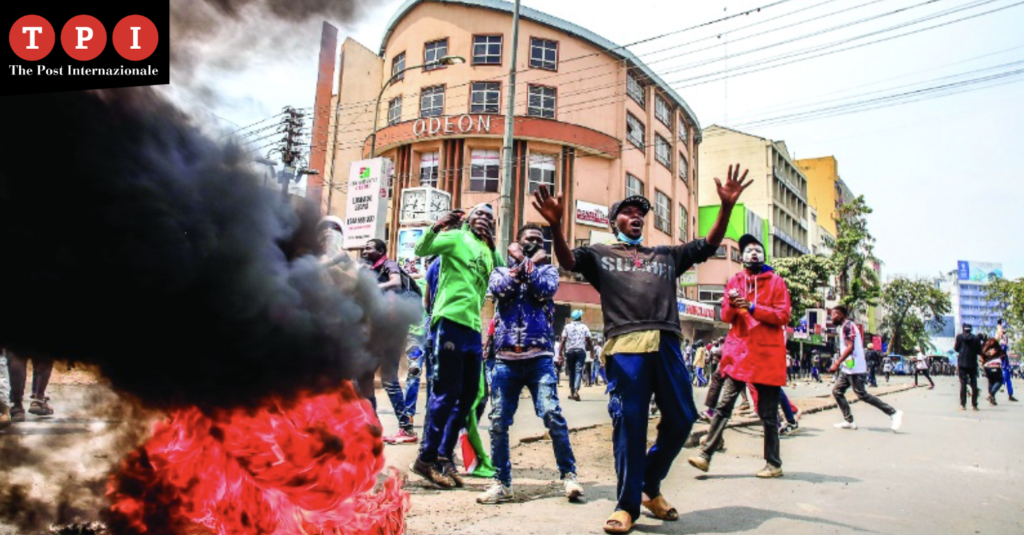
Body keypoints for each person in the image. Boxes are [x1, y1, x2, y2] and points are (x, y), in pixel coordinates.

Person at [532, 164, 751, 534]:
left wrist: (726, 208)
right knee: (630, 424)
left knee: (682, 419)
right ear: (614, 219)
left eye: (641, 214)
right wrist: (554, 225)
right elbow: (569, 262)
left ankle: (648, 484)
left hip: (666, 342)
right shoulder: (600, 253)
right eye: (628, 212)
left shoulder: (665, 255)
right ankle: (626, 505)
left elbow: (707, 246)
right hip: (626, 345)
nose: (636, 217)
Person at [478, 223, 583, 505]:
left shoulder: (548, 271)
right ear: (516, 243)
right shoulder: (500, 270)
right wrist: (524, 265)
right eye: (527, 240)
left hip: (539, 358)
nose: (533, 243)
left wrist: (527, 264)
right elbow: (502, 289)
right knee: (499, 421)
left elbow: (543, 289)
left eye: (538, 241)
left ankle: (569, 476)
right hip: (505, 360)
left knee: (552, 415)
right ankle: (503, 483)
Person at [410, 204, 502, 489]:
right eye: (479, 214)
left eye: (490, 217)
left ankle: (442, 455)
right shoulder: (456, 238)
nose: (484, 219)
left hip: (473, 328)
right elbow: (421, 250)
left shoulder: (487, 251)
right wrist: (439, 224)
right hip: (449, 321)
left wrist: (493, 241)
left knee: (470, 394)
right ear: (468, 219)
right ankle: (426, 458)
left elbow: (501, 272)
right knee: (446, 393)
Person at [687, 233, 791, 479]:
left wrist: (753, 307)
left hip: (767, 355)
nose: (753, 253)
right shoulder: (735, 281)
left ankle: (773, 464)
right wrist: (735, 304)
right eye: (748, 250)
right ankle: (705, 455)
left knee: (767, 414)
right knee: (723, 406)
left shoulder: (776, 282)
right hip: (739, 355)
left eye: (757, 249)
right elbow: (725, 316)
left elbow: (782, 316)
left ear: (764, 255)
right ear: (742, 258)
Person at [829, 306, 903, 431]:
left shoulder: (847, 326)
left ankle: (893, 413)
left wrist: (837, 363)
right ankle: (849, 420)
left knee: (862, 395)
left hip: (855, 368)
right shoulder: (844, 327)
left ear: (841, 314)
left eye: (834, 314)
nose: (832, 317)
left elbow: (850, 347)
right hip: (848, 367)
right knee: (837, 391)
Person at [560, 310, 592, 401]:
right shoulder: (584, 327)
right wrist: (592, 351)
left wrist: (559, 354)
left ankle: (571, 392)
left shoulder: (567, 327)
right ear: (580, 317)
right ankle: (576, 391)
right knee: (578, 371)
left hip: (569, 351)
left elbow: (563, 340)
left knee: (571, 372)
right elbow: (588, 340)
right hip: (581, 351)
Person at [954, 324, 983, 411]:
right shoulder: (976, 338)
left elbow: (956, 349)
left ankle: (963, 405)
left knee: (963, 384)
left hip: (962, 363)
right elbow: (979, 351)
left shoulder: (959, 337)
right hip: (972, 364)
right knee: (974, 384)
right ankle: (974, 405)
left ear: (963, 329)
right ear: (971, 329)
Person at [996, 320, 1018, 402]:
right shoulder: (1001, 340)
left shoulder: (1003, 337)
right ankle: (993, 392)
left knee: (1007, 378)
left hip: (1004, 359)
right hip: (1003, 359)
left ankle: (1010, 394)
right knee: (1004, 377)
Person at [981, 337, 1005, 406]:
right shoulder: (998, 348)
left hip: (987, 367)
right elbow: (1003, 356)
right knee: (999, 381)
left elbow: (981, 357)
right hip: (996, 366)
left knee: (991, 381)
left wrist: (984, 363)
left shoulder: (984, 349)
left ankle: (992, 398)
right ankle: (991, 394)